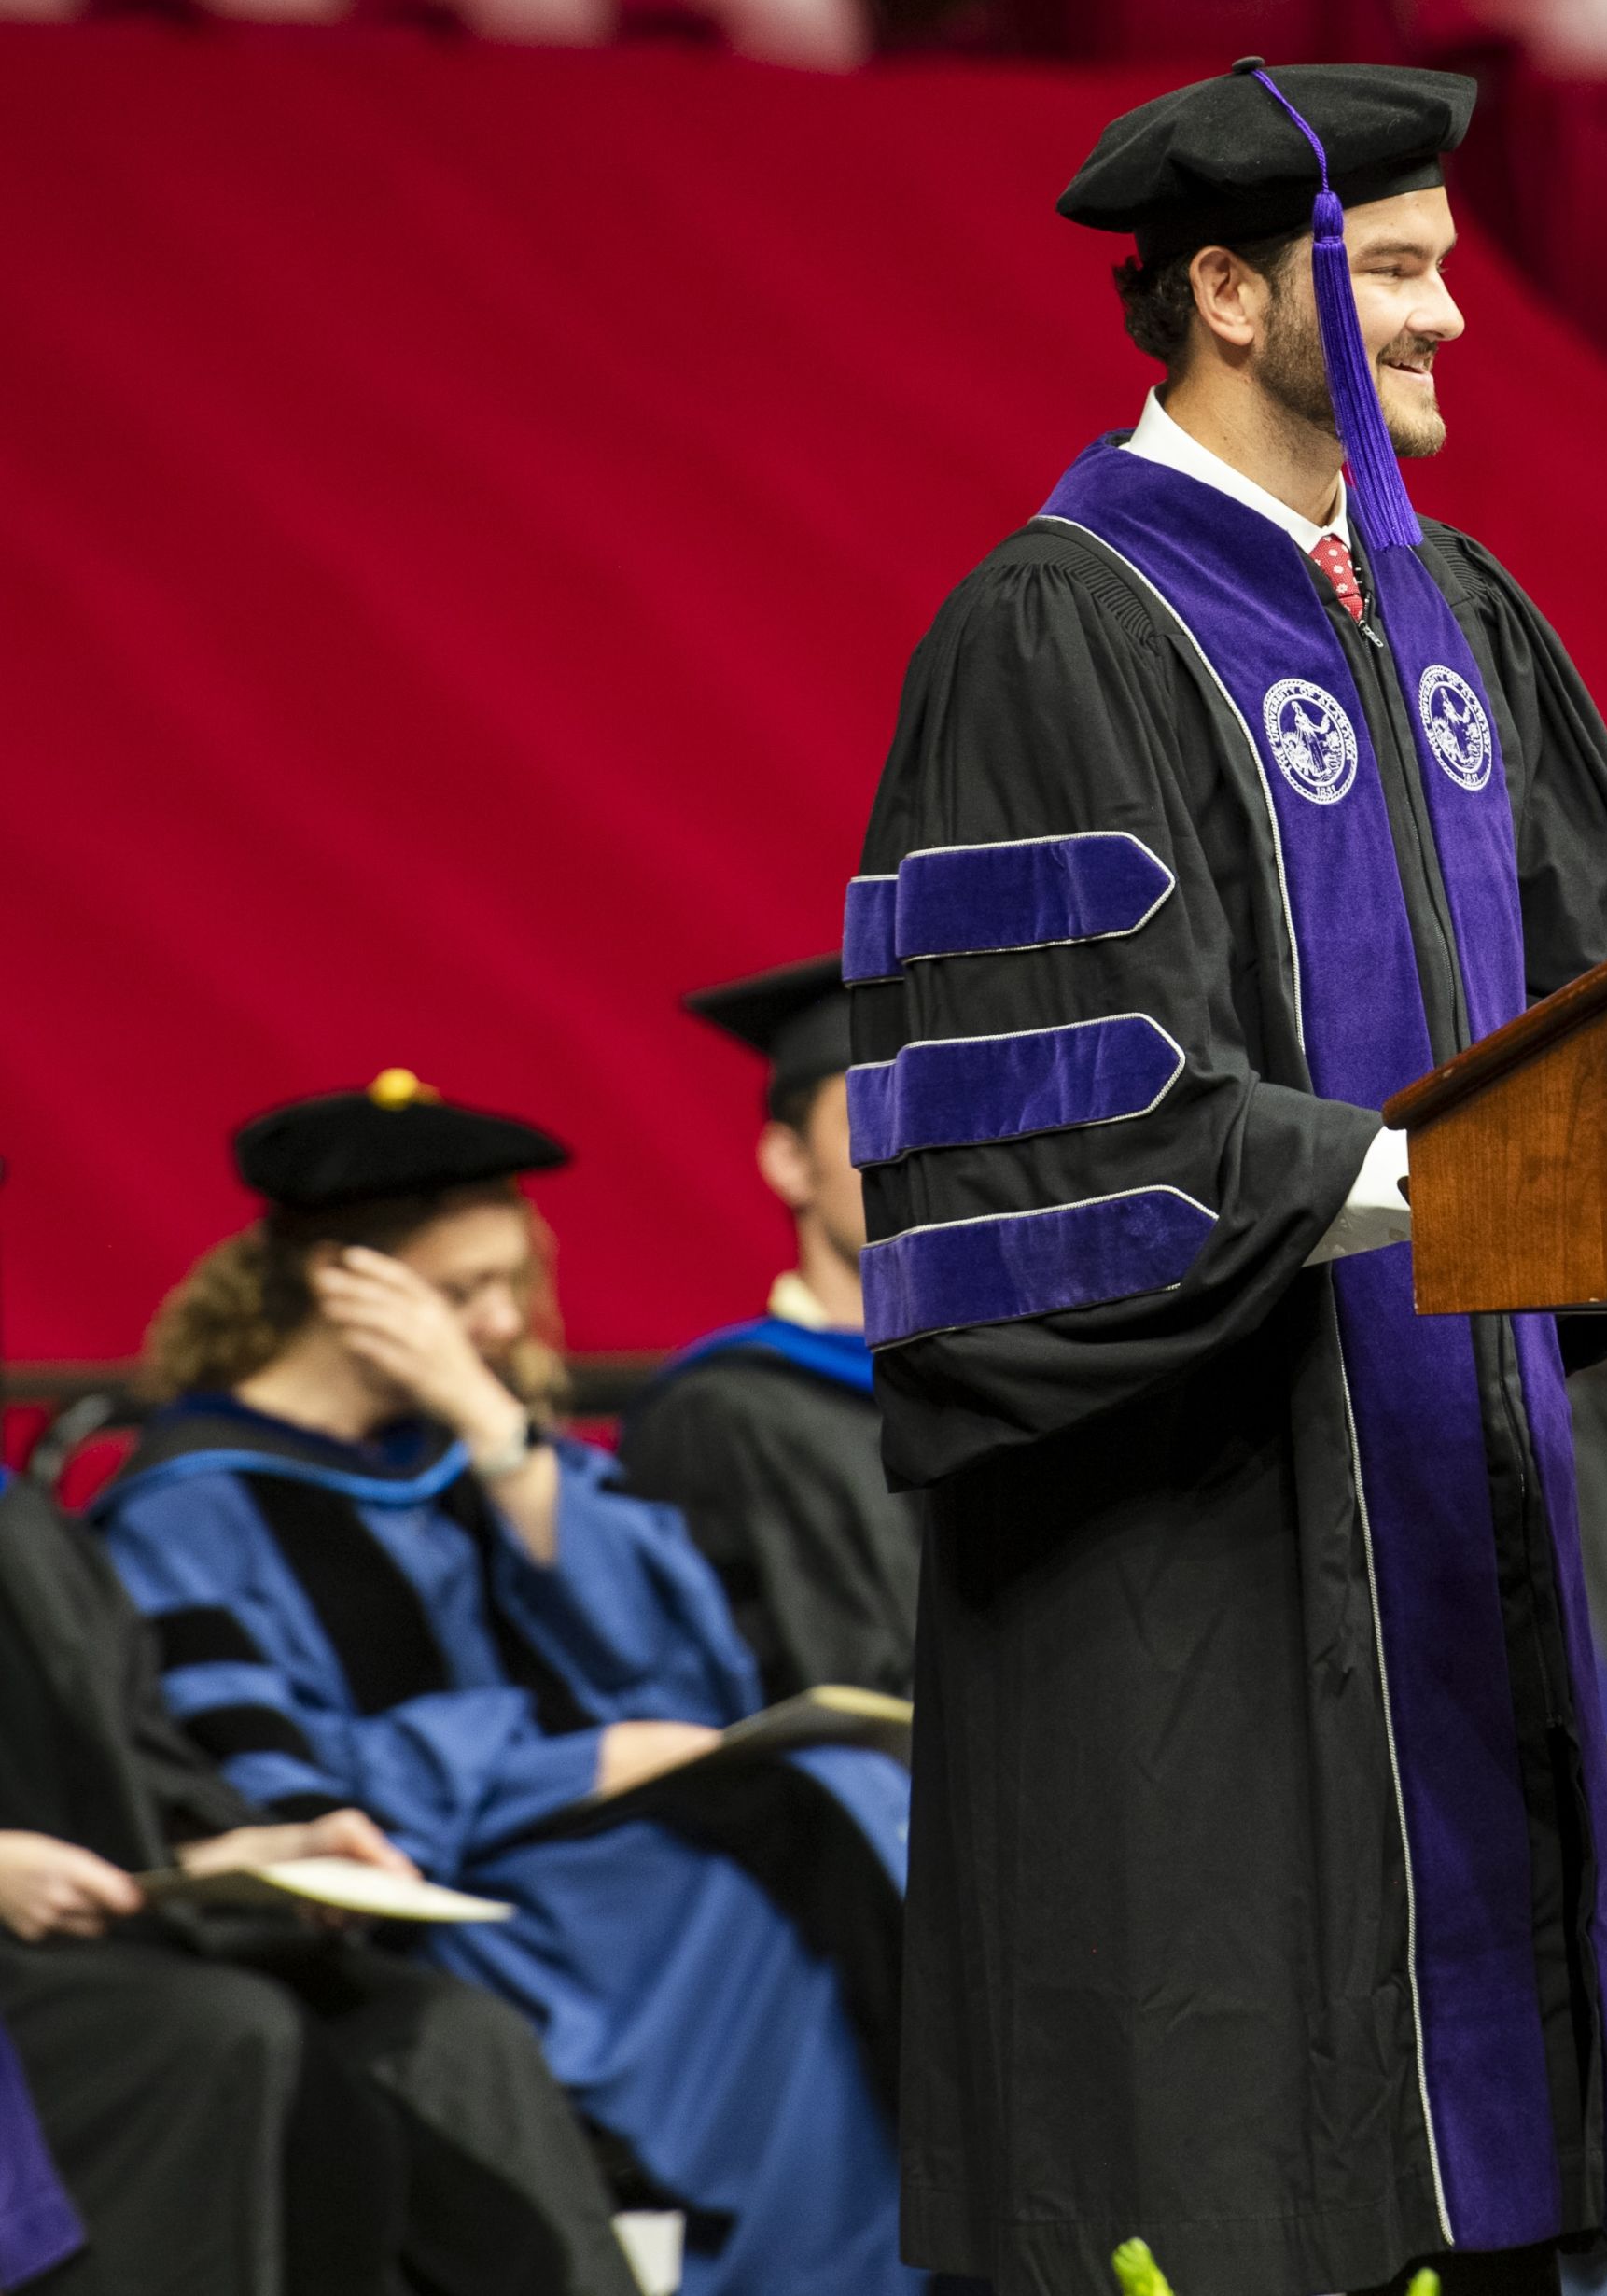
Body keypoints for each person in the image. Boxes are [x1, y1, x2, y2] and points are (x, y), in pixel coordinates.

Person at [848, 62, 1607, 2296]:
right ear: (1228, 291)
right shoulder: (1057, 624)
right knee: (1251, 2192)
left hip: (1467, 1522)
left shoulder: (1458, 619)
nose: (1451, 323)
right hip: (1213, 1555)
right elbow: (1054, 1132)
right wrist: (1448, 1176)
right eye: (1392, 273)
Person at [92, 1077, 920, 2296]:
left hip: (607, 1865)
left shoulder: (471, 1442)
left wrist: (494, 1430)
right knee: (793, 1891)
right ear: (341, 1281)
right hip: (464, 1898)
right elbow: (270, 1790)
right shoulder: (192, 1506)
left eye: (507, 1284)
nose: (494, 1322)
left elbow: (684, 1677)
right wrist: (567, 1760)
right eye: (456, 1291)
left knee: (834, 1809)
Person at [0, 1451, 637, 2295]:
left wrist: (250, 1850)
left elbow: (129, 1769)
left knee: (446, 2030)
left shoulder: (22, 1520)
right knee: (222, 2032)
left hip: (107, 1931)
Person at [616, 956, 911, 1700]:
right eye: (872, 1118)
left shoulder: (1017, 1380)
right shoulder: (728, 1414)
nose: (915, 1149)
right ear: (789, 1161)